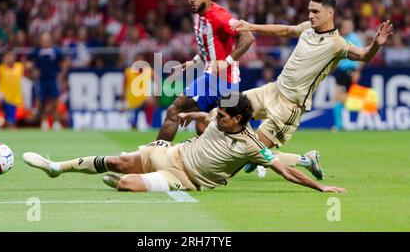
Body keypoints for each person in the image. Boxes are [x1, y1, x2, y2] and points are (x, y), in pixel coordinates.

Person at [23, 92, 344, 193]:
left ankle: (124, 179)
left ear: (239, 121)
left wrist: (321, 189)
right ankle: (55, 168)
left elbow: (284, 172)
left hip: (182, 178)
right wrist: (198, 117)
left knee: (125, 185)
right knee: (115, 161)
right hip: (171, 153)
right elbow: (210, 114)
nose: (218, 118)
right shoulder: (221, 114)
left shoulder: (251, 145)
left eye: (224, 117)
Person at [234, 0, 393, 177]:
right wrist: (252, 26)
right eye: (310, 11)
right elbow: (285, 30)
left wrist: (375, 45)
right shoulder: (307, 28)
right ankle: (256, 154)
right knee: (229, 106)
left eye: (316, 12)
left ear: (329, 14)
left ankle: (306, 160)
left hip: (289, 108)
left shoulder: (337, 45)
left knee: (248, 152)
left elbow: (364, 55)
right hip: (272, 90)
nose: (311, 15)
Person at [156, 0, 255, 141]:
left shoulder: (219, 16)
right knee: (204, 127)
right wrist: (193, 61)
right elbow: (208, 47)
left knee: (175, 110)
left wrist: (227, 62)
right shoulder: (199, 16)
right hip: (213, 77)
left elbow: (248, 37)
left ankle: (154, 154)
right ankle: (251, 158)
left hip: (221, 79)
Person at [28, 32, 69, 130]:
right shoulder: (37, 51)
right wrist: (33, 70)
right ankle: (44, 122)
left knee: (55, 102)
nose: (45, 41)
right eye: (43, 39)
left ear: (50, 40)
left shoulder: (56, 51)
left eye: (47, 39)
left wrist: (62, 74)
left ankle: (56, 122)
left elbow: (65, 61)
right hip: (41, 80)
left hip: (53, 80)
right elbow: (29, 62)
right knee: (41, 102)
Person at [333, 18, 364, 131]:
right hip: (341, 71)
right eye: (345, 26)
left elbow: (362, 55)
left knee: (342, 98)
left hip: (350, 71)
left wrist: (357, 71)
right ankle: (339, 124)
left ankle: (341, 124)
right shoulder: (341, 39)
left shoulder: (354, 38)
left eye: (349, 26)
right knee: (337, 98)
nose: (347, 28)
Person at [0, 51, 26, 129]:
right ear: (4, 58)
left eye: (11, 55)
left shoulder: (20, 67)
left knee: (12, 123)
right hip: (4, 98)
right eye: (7, 56)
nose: (9, 58)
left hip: (16, 99)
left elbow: (27, 79)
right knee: (7, 121)